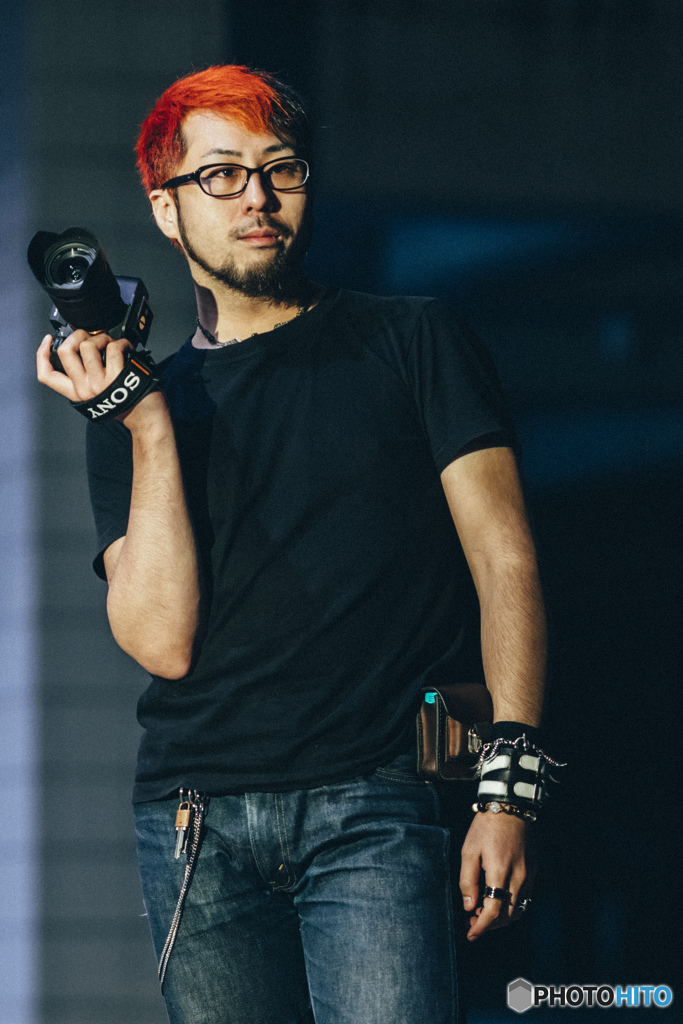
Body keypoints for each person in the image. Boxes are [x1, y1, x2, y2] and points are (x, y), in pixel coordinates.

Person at [36, 65, 550, 1024]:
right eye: (222, 175)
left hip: (375, 804)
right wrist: (143, 423)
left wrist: (506, 790)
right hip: (195, 820)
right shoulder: (140, 406)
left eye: (281, 170)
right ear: (166, 207)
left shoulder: (412, 338)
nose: (259, 199)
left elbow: (505, 560)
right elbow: (161, 642)